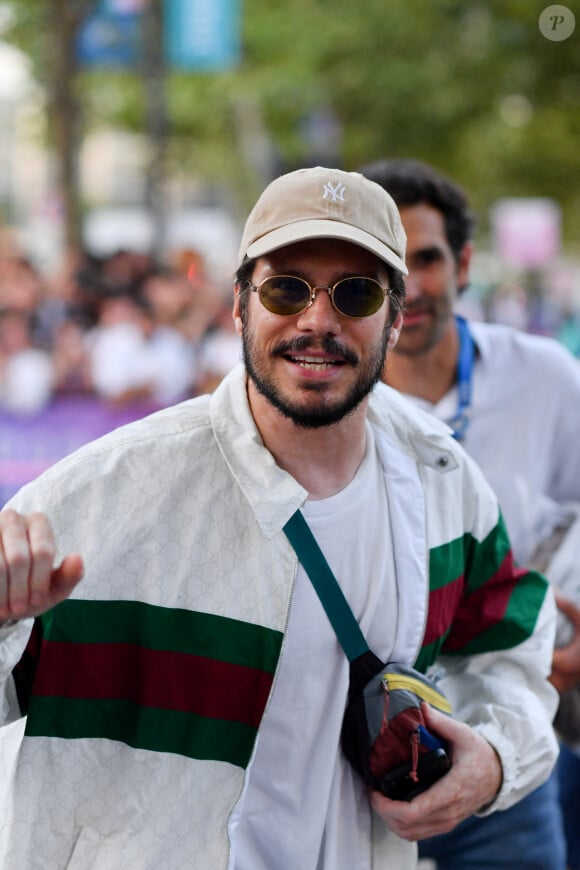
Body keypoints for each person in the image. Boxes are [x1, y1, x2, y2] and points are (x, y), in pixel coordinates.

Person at [0, 167, 559, 870]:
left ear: (394, 315)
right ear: (239, 305)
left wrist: (496, 762)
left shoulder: (443, 484)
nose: (317, 321)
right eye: (285, 288)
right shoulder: (101, 497)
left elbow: (513, 657)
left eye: (354, 293)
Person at [359, 156, 580, 870]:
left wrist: (569, 622)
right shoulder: (322, 394)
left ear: (464, 261)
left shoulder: (544, 377)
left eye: (426, 258)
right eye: (390, 263)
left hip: (504, 737)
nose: (411, 286)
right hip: (360, 756)